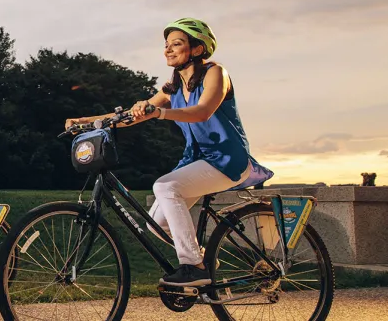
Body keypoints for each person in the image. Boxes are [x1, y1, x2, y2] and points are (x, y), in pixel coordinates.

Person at [65, 18, 273, 287]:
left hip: (226, 159)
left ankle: (194, 268)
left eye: (177, 44)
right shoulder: (172, 86)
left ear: (197, 49)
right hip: (196, 161)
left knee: (164, 186)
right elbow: (131, 116)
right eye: (166, 45)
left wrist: (160, 112)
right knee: (156, 225)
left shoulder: (215, 73)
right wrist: (84, 121)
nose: (168, 50)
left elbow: (203, 111)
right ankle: (203, 259)